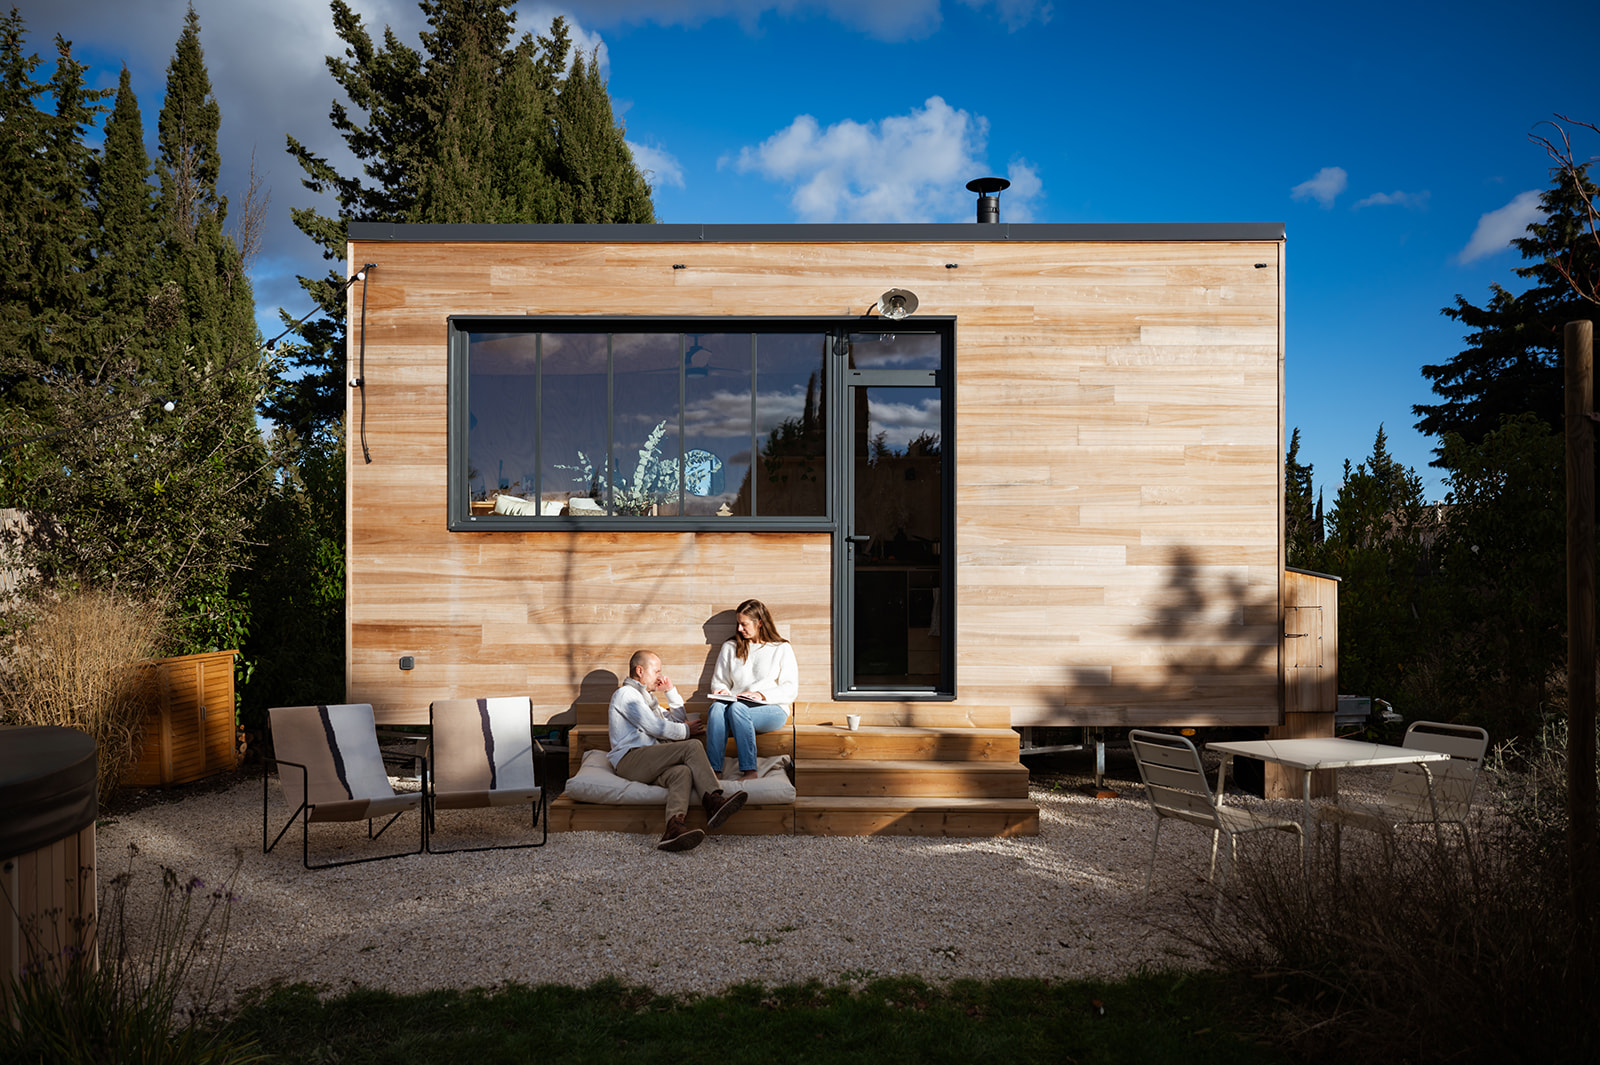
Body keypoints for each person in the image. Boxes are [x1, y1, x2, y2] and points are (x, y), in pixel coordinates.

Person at [608, 649, 747, 852]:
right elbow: (655, 727)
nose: (660, 677)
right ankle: (714, 801)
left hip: (648, 761)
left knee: (682, 772)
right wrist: (686, 730)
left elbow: (676, 720)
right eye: (656, 671)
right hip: (630, 760)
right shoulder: (626, 695)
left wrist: (670, 691)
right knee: (692, 746)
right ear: (639, 671)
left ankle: (673, 828)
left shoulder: (647, 700)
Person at [705, 599, 799, 781]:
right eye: (738, 624)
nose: (739, 629)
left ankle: (750, 770)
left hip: (772, 709)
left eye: (744, 624)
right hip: (735, 705)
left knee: (737, 709)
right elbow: (719, 682)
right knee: (716, 708)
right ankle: (714, 770)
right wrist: (721, 691)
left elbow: (790, 688)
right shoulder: (730, 647)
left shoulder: (781, 648)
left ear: (760, 623)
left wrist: (761, 694)